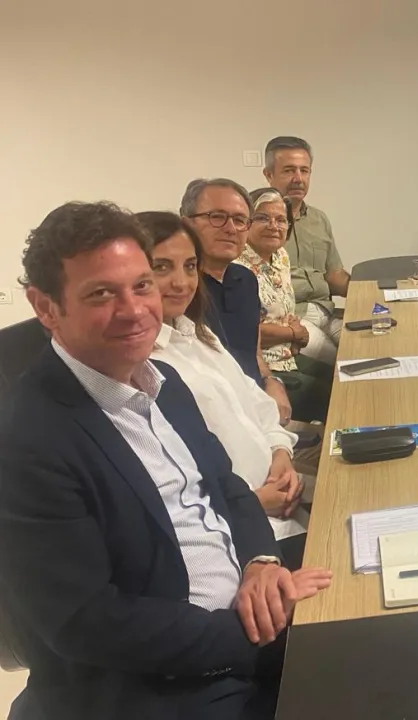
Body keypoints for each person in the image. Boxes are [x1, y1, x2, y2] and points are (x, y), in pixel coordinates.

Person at [0, 201, 332, 719]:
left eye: (141, 285)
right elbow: (86, 622)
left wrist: (262, 564)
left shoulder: (164, 383)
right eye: (101, 294)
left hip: (244, 613)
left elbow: (226, 485)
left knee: (384, 614)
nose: (135, 310)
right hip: (162, 682)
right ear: (45, 307)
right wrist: (249, 633)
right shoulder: (27, 439)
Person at [137, 210, 309, 552]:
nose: (181, 283)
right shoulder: (141, 368)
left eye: (189, 266)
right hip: (240, 537)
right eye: (162, 267)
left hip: (283, 498)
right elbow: (171, 492)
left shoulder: (198, 336)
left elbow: (257, 405)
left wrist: (281, 455)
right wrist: (254, 502)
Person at [180, 177, 292, 424]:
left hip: (258, 407)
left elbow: (254, 354)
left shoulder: (246, 280)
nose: (230, 228)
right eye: (217, 217)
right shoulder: (180, 292)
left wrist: (272, 381)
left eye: (240, 220)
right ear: (187, 224)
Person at [236, 188, 333, 423]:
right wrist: (292, 333)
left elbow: (284, 309)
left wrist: (294, 336)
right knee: (335, 398)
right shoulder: (236, 268)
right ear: (246, 223)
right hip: (263, 369)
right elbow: (243, 333)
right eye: (262, 218)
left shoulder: (280, 256)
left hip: (288, 354)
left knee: (341, 376)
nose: (273, 226)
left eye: (281, 220)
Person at [262, 136, 346, 364]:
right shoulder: (259, 224)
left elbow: (335, 276)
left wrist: (372, 290)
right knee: (341, 362)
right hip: (292, 318)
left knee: (366, 345)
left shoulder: (319, 219)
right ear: (268, 175)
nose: (298, 179)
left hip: (327, 312)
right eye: (289, 170)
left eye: (304, 171)